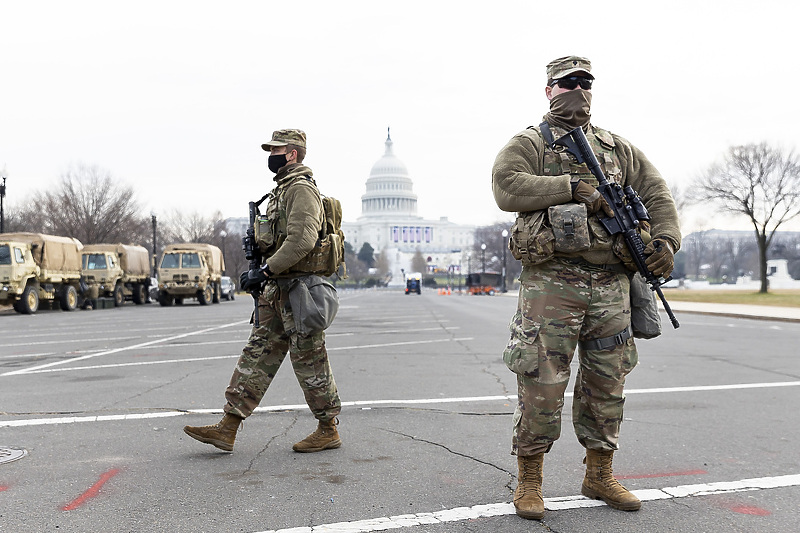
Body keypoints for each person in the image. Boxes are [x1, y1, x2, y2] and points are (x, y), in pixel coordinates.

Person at [492, 56, 681, 520]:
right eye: (566, 83)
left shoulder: (617, 147)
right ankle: (530, 480)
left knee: (607, 380)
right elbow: (506, 187)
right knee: (541, 381)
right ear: (549, 90)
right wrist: (570, 187)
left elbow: (656, 193)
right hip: (552, 281)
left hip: (613, 282)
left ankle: (599, 475)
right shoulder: (530, 142)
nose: (577, 90)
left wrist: (666, 240)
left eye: (584, 82)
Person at [184, 129, 342, 454]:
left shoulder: (300, 190)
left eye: (277, 149)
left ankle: (328, 429)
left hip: (300, 291)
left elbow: (302, 240)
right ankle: (227, 427)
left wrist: (265, 271)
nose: (271, 155)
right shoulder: (281, 191)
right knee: (258, 354)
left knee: (309, 360)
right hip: (279, 290)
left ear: (293, 154)